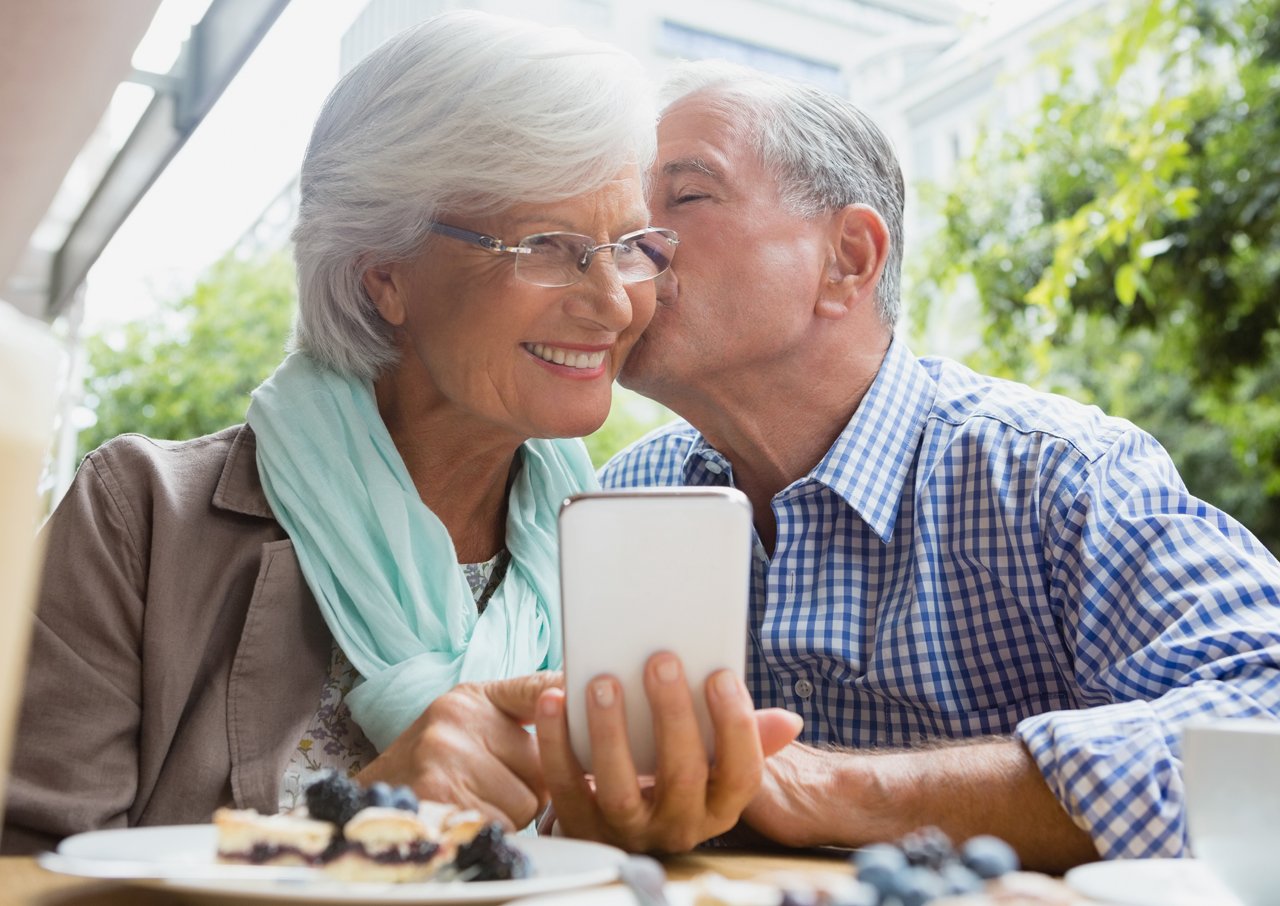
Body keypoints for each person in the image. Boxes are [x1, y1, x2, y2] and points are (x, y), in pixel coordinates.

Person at [532, 61, 1280, 871]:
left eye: (685, 197)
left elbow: (1262, 719)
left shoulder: (1059, 476)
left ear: (849, 259)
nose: (629, 246)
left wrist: (834, 790)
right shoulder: (624, 500)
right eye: (628, 214)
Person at [1, 11, 701, 854]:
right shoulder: (140, 517)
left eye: (627, 245)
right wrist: (353, 826)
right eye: (547, 246)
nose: (615, 301)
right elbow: (26, 866)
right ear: (384, 278)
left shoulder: (619, 553)